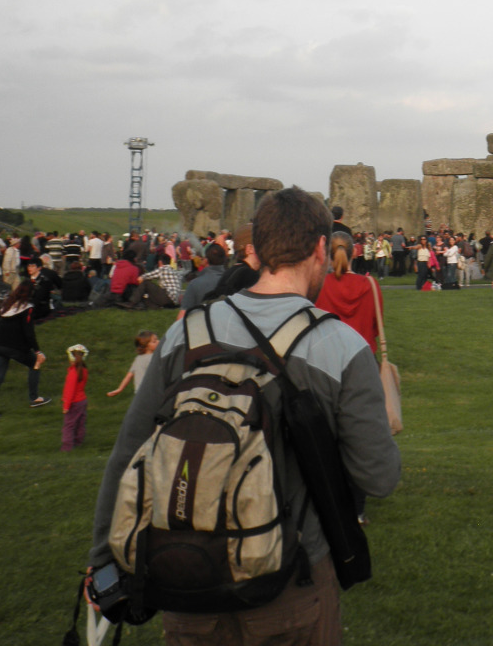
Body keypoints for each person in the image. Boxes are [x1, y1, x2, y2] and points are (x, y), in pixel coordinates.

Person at [89, 186, 401, 645]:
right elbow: (379, 477)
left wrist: (102, 559)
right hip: (292, 579)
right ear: (320, 247)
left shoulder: (186, 334)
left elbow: (128, 453)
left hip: (186, 575)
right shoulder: (342, 347)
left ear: (258, 248)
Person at [0, 281, 53, 418]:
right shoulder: (27, 308)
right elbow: (29, 333)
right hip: (14, 347)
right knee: (35, 363)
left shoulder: (8, 305)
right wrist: (38, 351)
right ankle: (34, 398)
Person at [318, 231, 383, 354]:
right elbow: (376, 328)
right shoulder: (370, 284)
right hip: (363, 354)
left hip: (329, 355)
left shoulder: (320, 285)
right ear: (354, 252)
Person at [107, 330, 160, 397]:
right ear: (146, 346)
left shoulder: (138, 358)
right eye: (154, 341)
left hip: (139, 394)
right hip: (151, 393)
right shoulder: (154, 358)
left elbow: (129, 375)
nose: (158, 341)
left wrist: (120, 389)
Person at [61, 343, 89, 451]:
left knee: (69, 425)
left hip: (74, 403)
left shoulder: (73, 373)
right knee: (80, 423)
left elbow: (70, 391)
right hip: (83, 401)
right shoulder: (84, 370)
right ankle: (78, 442)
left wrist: (66, 406)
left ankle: (67, 447)